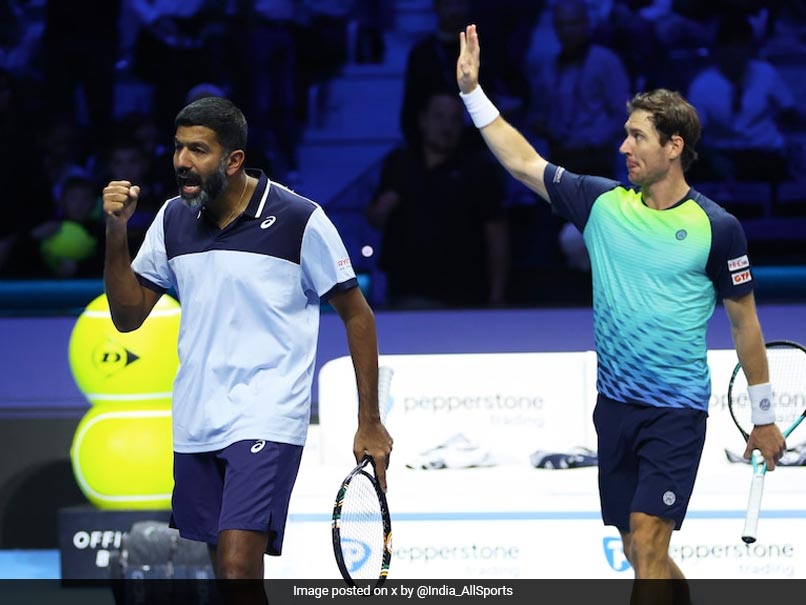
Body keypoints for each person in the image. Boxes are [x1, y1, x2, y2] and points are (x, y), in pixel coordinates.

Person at [457, 24, 785, 596]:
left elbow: (745, 323)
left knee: (648, 535)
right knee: (638, 549)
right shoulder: (602, 205)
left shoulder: (718, 228)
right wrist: (472, 93)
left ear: (673, 146)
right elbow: (522, 162)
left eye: (636, 137)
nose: (622, 147)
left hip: (676, 412)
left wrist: (763, 416)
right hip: (614, 407)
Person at [101, 96, 393, 588]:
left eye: (198, 150)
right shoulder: (172, 219)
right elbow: (128, 316)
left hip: (267, 414)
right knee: (228, 579)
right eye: (178, 149)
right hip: (196, 417)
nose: (182, 162)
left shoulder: (300, 219)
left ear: (233, 160)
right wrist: (116, 230)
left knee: (237, 570)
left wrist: (370, 422)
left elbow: (357, 315)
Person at [367, 89, 509, 309]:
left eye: (454, 119)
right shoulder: (400, 163)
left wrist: (496, 294)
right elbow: (375, 219)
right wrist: (384, 206)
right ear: (423, 121)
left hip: (464, 293)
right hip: (407, 291)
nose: (447, 126)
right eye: (439, 117)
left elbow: (496, 234)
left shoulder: (478, 170)